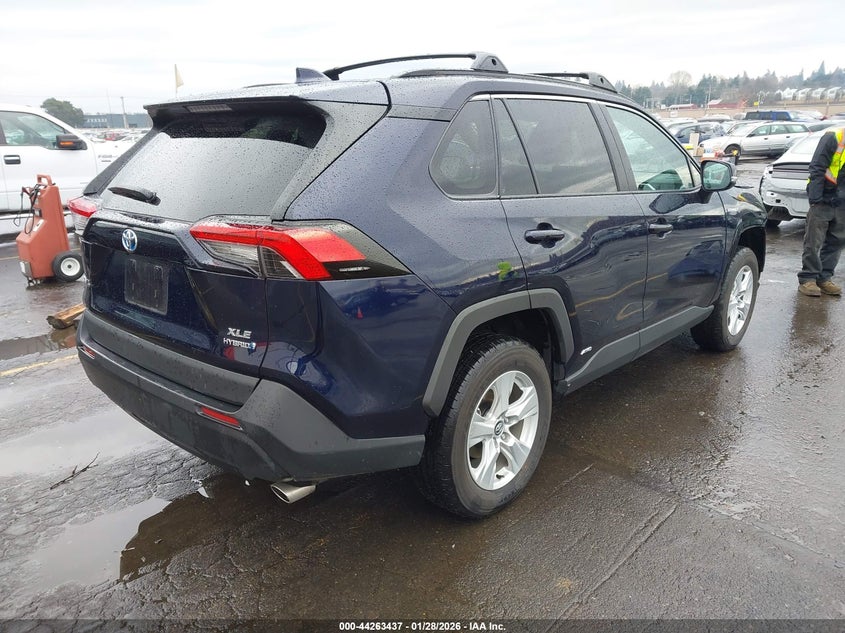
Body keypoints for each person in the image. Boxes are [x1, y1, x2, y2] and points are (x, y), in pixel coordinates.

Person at [798, 127, 845, 296]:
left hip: (842, 202)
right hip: (824, 197)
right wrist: (816, 199)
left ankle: (824, 278)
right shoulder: (834, 137)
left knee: (837, 242)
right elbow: (817, 166)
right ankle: (808, 279)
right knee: (814, 240)